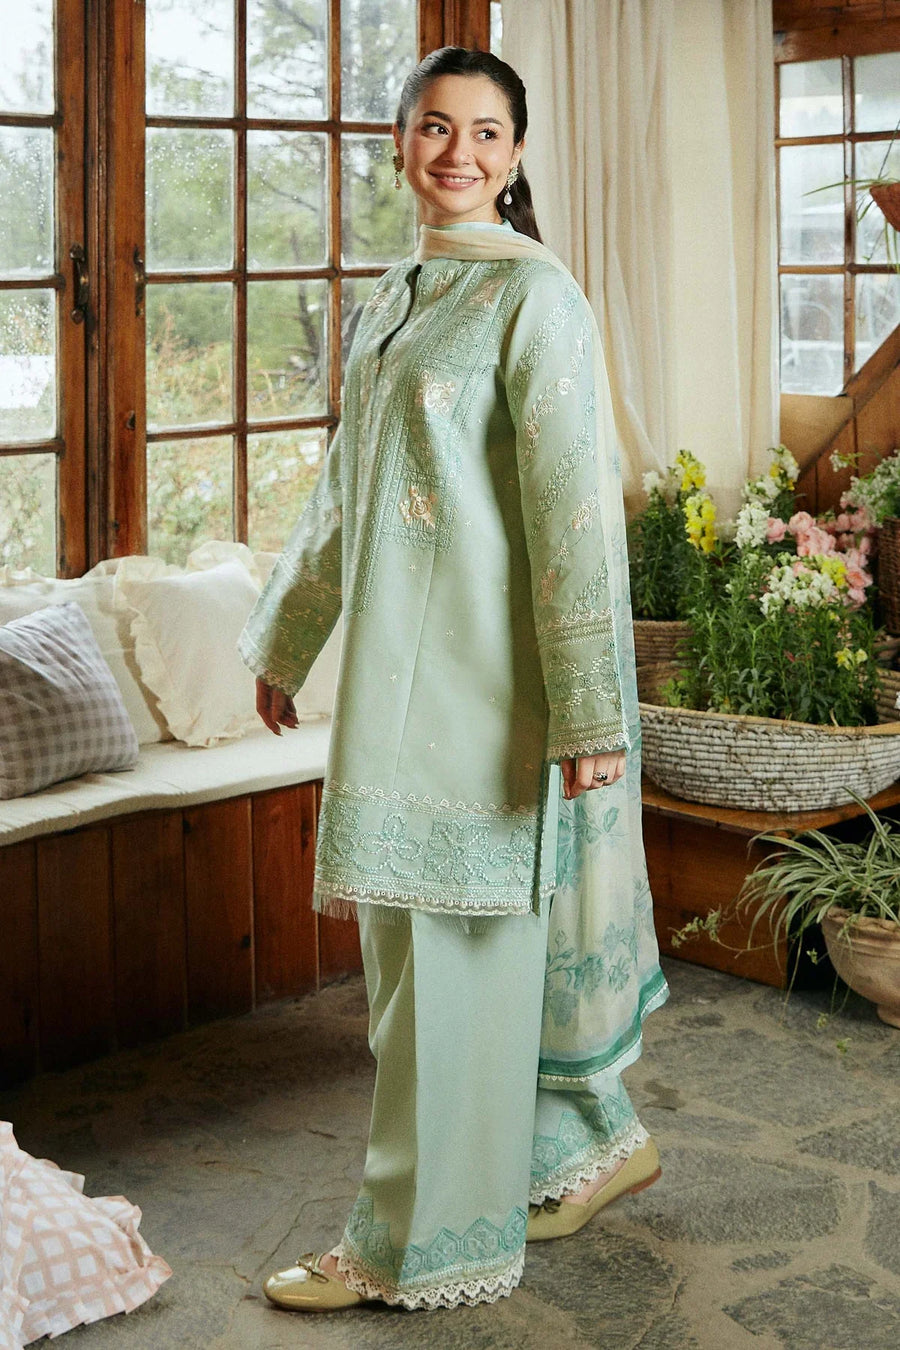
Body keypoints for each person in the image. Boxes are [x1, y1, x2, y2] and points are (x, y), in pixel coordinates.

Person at [238, 45, 670, 1314]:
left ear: (517, 152)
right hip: (395, 690)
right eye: (436, 126)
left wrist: (588, 713)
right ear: (399, 142)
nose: (459, 152)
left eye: (486, 132)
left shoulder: (539, 297)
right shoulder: (396, 295)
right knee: (409, 966)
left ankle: (416, 1242)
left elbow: (575, 512)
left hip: (493, 696)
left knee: (456, 969)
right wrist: (286, 639)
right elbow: (346, 486)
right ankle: (571, 1153)